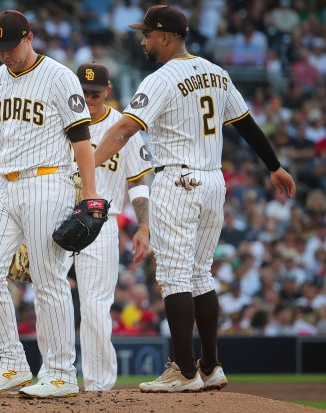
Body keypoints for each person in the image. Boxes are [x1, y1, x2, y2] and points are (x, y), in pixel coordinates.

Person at [93, 5, 296, 393]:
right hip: (213, 182)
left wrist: (82, 169)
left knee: (173, 278)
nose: (143, 39)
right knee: (201, 273)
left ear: (166, 37)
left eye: (148, 34)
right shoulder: (216, 73)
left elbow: (122, 129)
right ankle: (212, 365)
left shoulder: (162, 78)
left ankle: (184, 371)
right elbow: (245, 122)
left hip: (177, 180)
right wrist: (274, 165)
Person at [0, 10, 100, 398]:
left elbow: (82, 143)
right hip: (6, 184)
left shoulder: (60, 77)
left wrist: (92, 197)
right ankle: (13, 364)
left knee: (48, 279)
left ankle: (60, 372)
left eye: (9, 46)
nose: (4, 54)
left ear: (28, 37)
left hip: (49, 181)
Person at [72, 62, 152, 391]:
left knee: (95, 306)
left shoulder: (124, 128)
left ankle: (99, 387)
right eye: (83, 93)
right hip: (56, 214)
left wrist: (144, 226)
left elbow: (138, 182)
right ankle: (57, 374)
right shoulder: (61, 120)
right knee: (53, 298)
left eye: (95, 93)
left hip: (101, 221)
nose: (89, 99)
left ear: (107, 91)